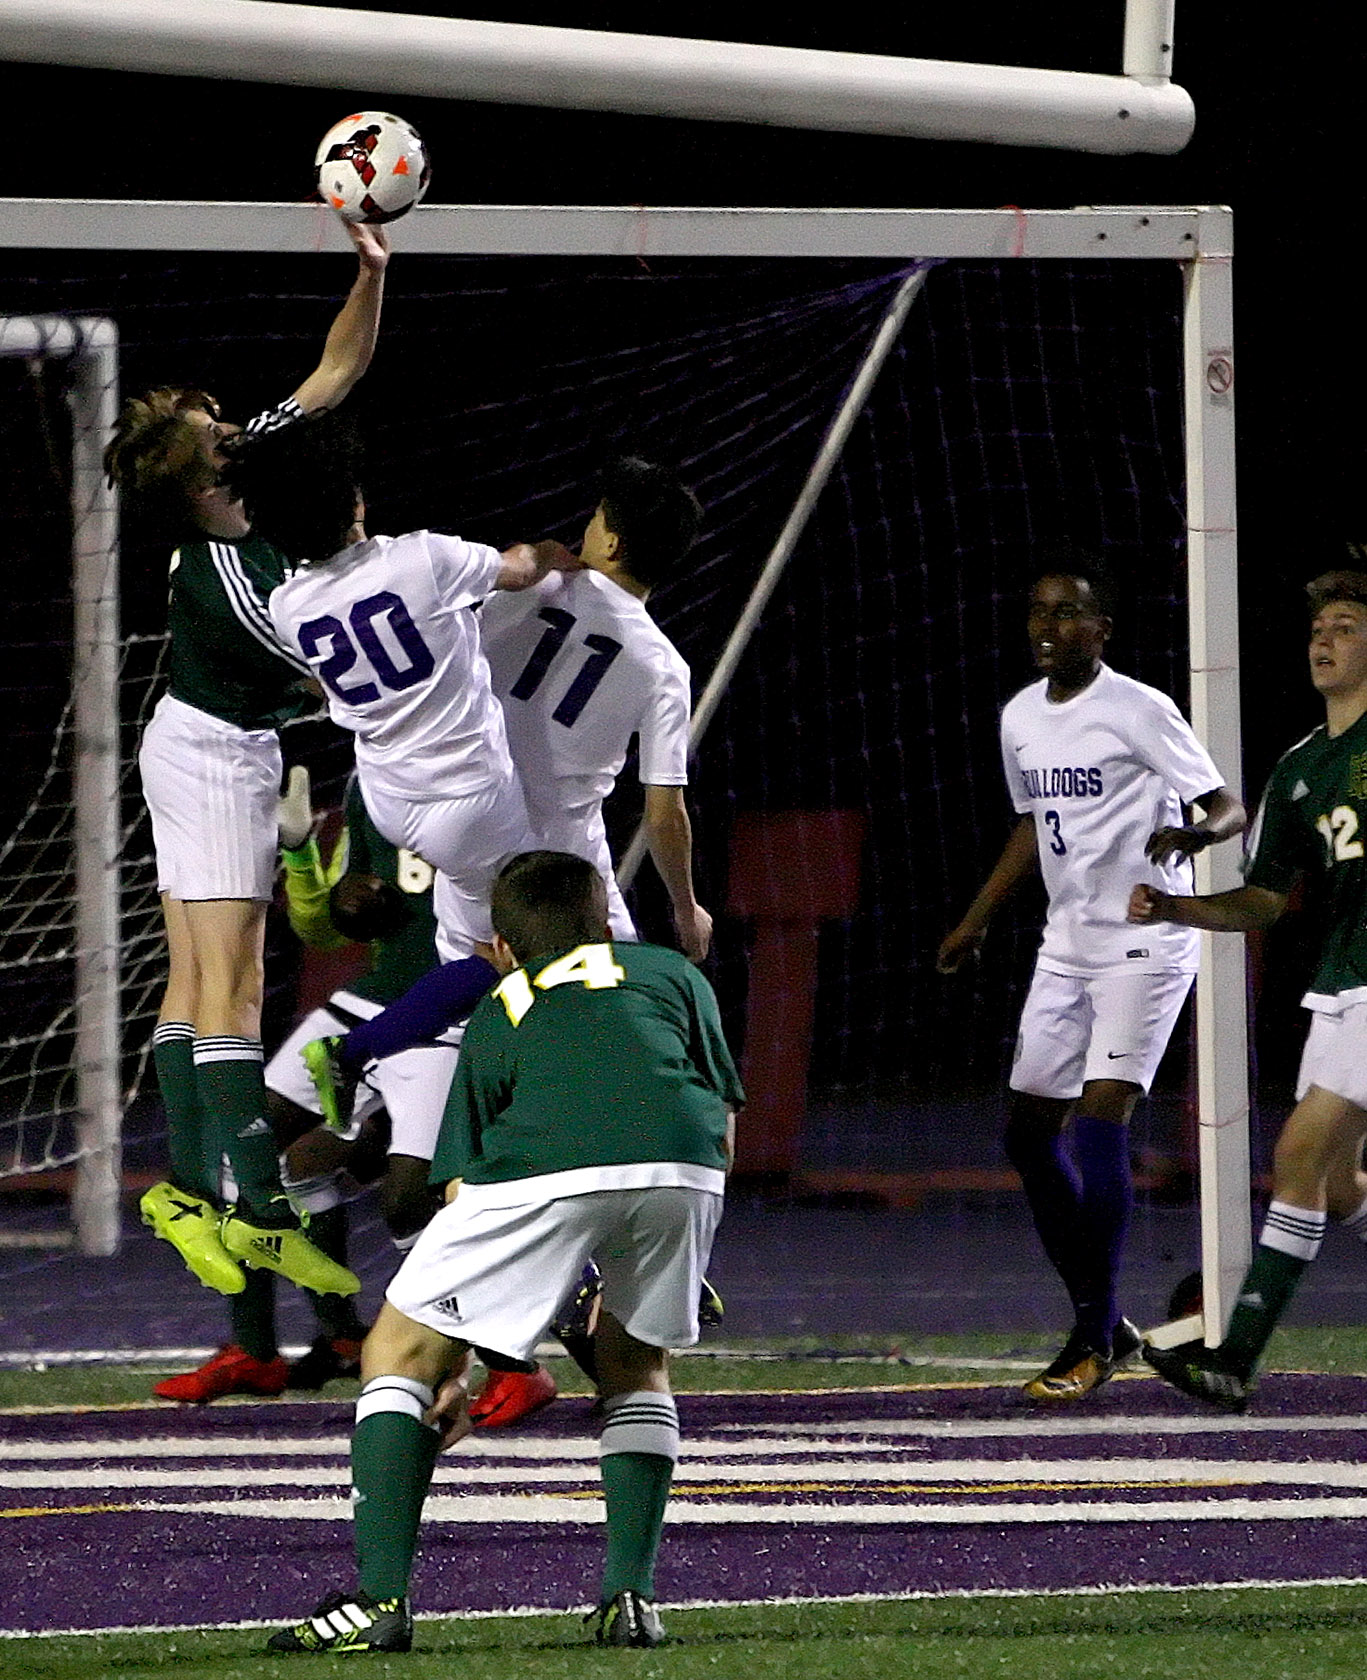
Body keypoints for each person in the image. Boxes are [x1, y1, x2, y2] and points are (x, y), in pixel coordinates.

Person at [265, 850, 742, 1654]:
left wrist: (456, 1367)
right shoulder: (671, 973)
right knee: (635, 1363)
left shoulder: (502, 1003)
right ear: (603, 921)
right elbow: (721, 1115)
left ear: (503, 946)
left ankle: (380, 1603)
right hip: (687, 1166)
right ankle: (630, 1598)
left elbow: (459, 1189)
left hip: (546, 1166)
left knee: (397, 1348)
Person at [104, 223, 390, 1301]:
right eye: (212, 423)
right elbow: (330, 676)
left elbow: (336, 367)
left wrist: (370, 272)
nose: (228, 421)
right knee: (234, 986)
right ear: (202, 471)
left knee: (196, 982)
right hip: (214, 758)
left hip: (206, 745)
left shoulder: (249, 470)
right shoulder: (231, 574)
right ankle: (260, 1212)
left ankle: (183, 1190)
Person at [937, 553, 1245, 1401]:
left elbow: (1225, 803)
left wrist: (1194, 839)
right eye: (1038, 611)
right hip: (1065, 944)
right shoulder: (1019, 718)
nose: (1049, 626)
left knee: (1099, 1121)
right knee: (1026, 1136)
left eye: (1069, 612)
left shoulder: (1138, 708)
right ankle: (1102, 1321)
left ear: (1101, 629)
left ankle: (1087, 1334)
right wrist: (976, 916)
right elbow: (1033, 825)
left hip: (1146, 941)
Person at [1140, 570, 1367, 1411]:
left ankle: (1232, 1357)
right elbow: (1265, 900)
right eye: (1318, 626)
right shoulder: (1302, 769)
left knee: (1297, 1155)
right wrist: (1174, 906)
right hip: (1340, 984)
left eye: (1344, 624)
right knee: (1338, 1186)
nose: (1324, 638)